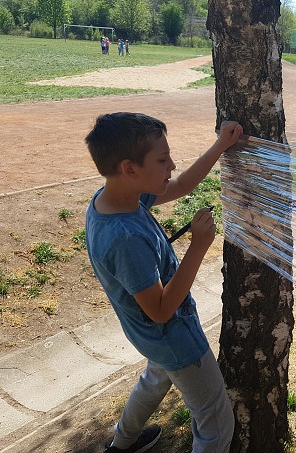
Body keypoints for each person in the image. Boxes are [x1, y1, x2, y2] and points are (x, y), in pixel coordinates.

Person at [84, 113, 244, 453]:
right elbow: (160, 310)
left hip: (150, 337)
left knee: (154, 380)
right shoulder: (125, 238)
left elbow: (182, 184)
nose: (171, 165)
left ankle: (122, 444)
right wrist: (198, 247)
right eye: (162, 159)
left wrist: (220, 145)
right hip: (174, 336)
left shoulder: (114, 198)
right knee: (216, 426)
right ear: (130, 168)